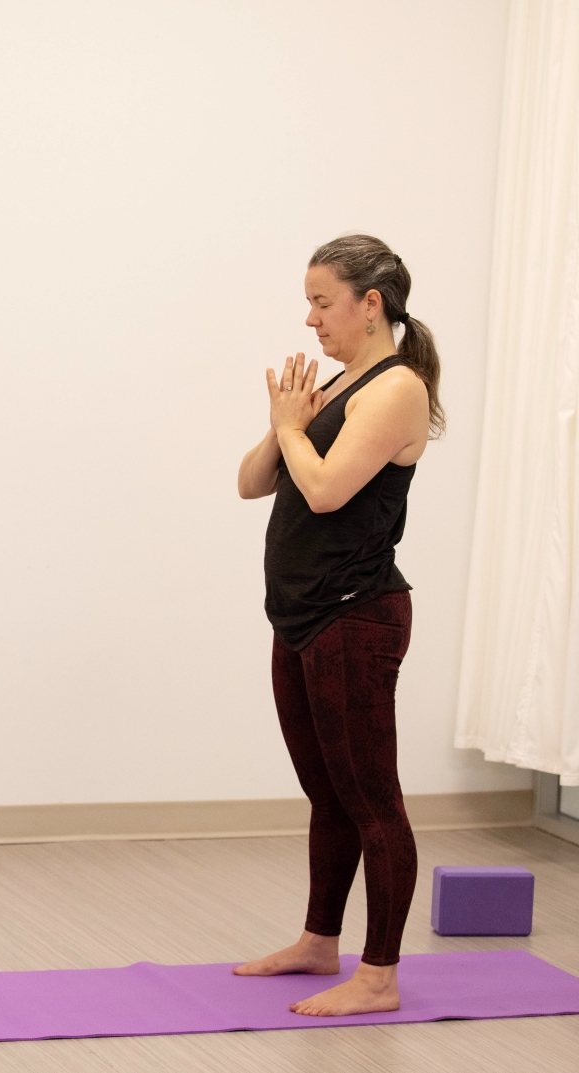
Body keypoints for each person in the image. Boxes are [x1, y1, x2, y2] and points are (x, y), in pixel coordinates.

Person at [233, 234, 443, 1017]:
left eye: (323, 301)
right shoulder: (340, 383)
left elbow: (321, 491)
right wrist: (281, 421)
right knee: (328, 793)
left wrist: (297, 429)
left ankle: (379, 975)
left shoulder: (396, 389)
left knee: (371, 798)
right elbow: (254, 482)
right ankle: (322, 942)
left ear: (371, 304)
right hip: (304, 619)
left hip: (357, 617)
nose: (311, 318)